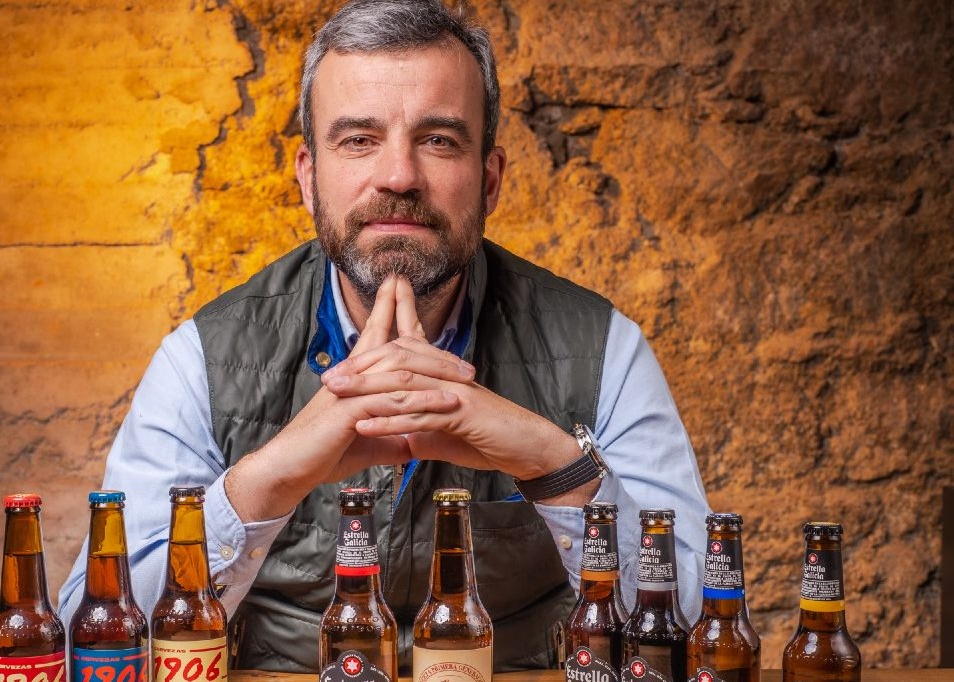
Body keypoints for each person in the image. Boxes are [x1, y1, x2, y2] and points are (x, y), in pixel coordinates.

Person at [58, 0, 710, 672]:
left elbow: (701, 634)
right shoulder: (204, 356)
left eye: (438, 140)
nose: (399, 176)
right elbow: (96, 640)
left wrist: (555, 466)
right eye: (359, 140)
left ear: (489, 180)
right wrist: (267, 481)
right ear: (308, 179)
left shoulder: (603, 348)